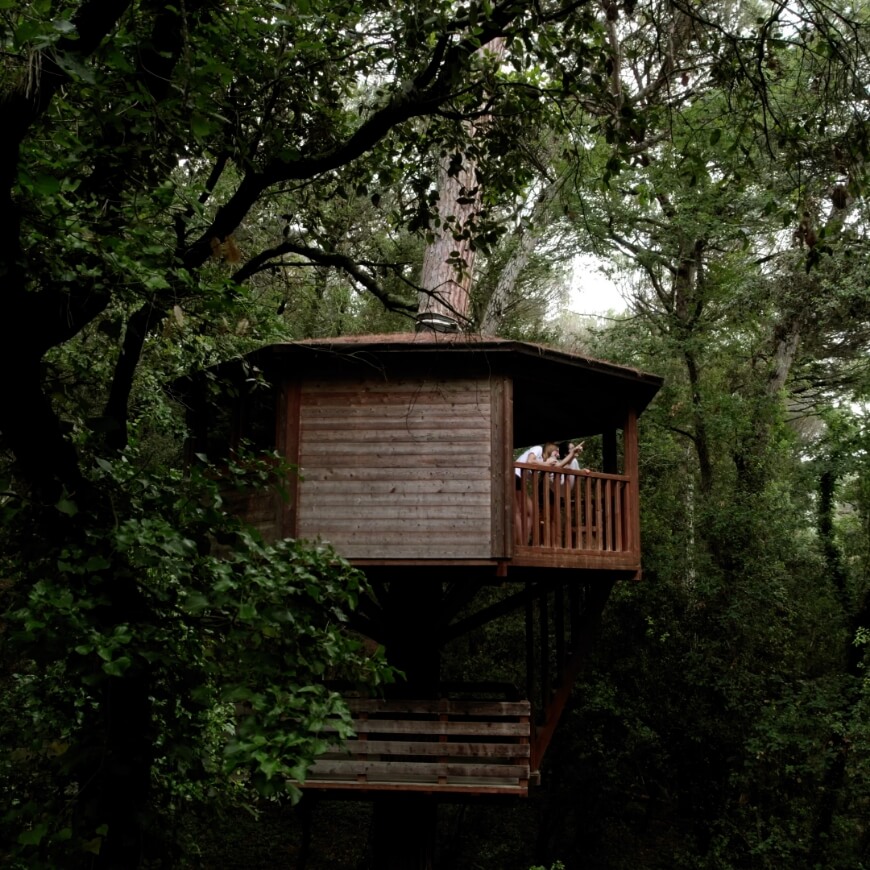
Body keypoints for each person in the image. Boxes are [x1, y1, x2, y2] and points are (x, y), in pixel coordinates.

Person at [514, 442, 582, 544]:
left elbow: (559, 465)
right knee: (519, 512)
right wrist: (546, 464)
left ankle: (523, 542)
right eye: (557, 451)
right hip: (514, 475)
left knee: (531, 512)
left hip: (519, 480)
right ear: (550, 449)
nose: (558, 455)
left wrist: (572, 454)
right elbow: (530, 461)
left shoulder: (543, 461)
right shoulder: (538, 449)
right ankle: (520, 544)